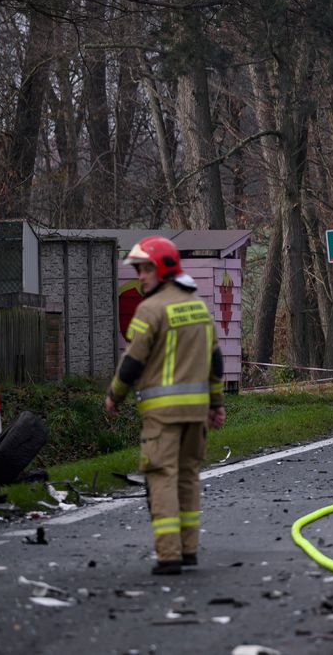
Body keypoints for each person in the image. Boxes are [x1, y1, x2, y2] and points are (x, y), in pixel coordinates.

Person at [103, 236, 225, 575]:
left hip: (162, 415)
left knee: (162, 477)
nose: (140, 276)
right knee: (187, 477)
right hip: (196, 413)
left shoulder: (150, 310)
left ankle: (168, 555)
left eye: (144, 269)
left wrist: (114, 395)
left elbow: (133, 361)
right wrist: (216, 404)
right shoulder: (198, 306)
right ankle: (189, 550)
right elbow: (215, 361)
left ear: (162, 270)